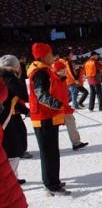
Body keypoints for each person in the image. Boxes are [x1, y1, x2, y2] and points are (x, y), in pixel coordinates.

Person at [27, 43, 70, 196]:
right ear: (44, 56)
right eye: (51, 53)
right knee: (48, 153)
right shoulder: (40, 73)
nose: (53, 56)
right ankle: (51, 185)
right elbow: (41, 95)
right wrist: (57, 104)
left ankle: (54, 180)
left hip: (49, 116)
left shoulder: (45, 71)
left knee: (52, 152)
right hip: (44, 118)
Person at [0, 55, 30, 185]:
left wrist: (26, 111)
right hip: (4, 119)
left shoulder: (6, 77)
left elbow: (11, 99)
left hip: (8, 116)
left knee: (16, 146)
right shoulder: (9, 78)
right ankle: (9, 180)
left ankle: (12, 177)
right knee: (13, 149)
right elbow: (24, 94)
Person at [52, 60, 88, 151]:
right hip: (54, 108)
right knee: (53, 129)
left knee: (71, 122)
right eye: (61, 70)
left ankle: (76, 143)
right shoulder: (52, 80)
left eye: (64, 69)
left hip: (64, 107)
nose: (64, 71)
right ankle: (52, 147)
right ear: (56, 71)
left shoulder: (64, 79)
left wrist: (67, 105)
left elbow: (65, 95)